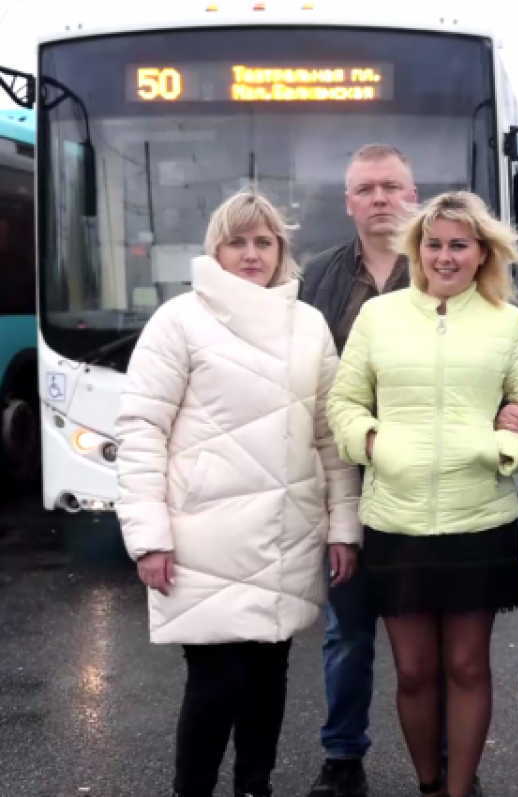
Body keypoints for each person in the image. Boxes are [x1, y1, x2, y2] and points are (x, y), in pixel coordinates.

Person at [115, 189, 362, 797]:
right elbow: (141, 431)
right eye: (237, 242)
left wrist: (342, 527)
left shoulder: (307, 325)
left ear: (281, 250)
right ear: (215, 250)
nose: (251, 254)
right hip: (205, 537)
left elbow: (330, 436)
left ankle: (256, 785)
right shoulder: (178, 321)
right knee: (215, 682)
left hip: (286, 532)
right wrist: (149, 539)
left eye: (264, 241)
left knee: (268, 677)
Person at [303, 145, 518, 797]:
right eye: (364, 187)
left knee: (458, 659)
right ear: (349, 201)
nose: (378, 197)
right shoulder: (321, 280)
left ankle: (457, 774)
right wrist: (373, 441)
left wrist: (503, 442)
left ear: (412, 193)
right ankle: (344, 755)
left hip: (469, 505)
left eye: (391, 185)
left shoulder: (490, 311)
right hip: (370, 488)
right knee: (355, 635)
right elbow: (328, 390)